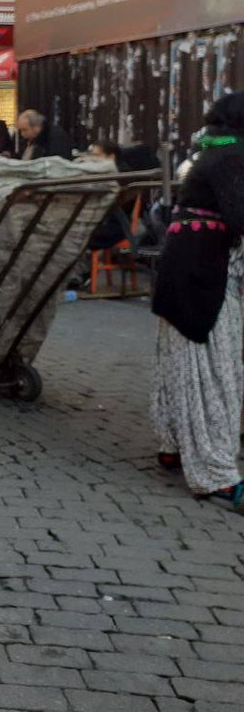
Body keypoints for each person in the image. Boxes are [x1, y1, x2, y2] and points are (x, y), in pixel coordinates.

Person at [150, 93, 244, 511]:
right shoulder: (230, 156)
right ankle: (216, 475)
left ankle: (173, 444)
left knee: (182, 362)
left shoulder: (213, 150)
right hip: (203, 272)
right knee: (212, 369)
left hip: (186, 265)